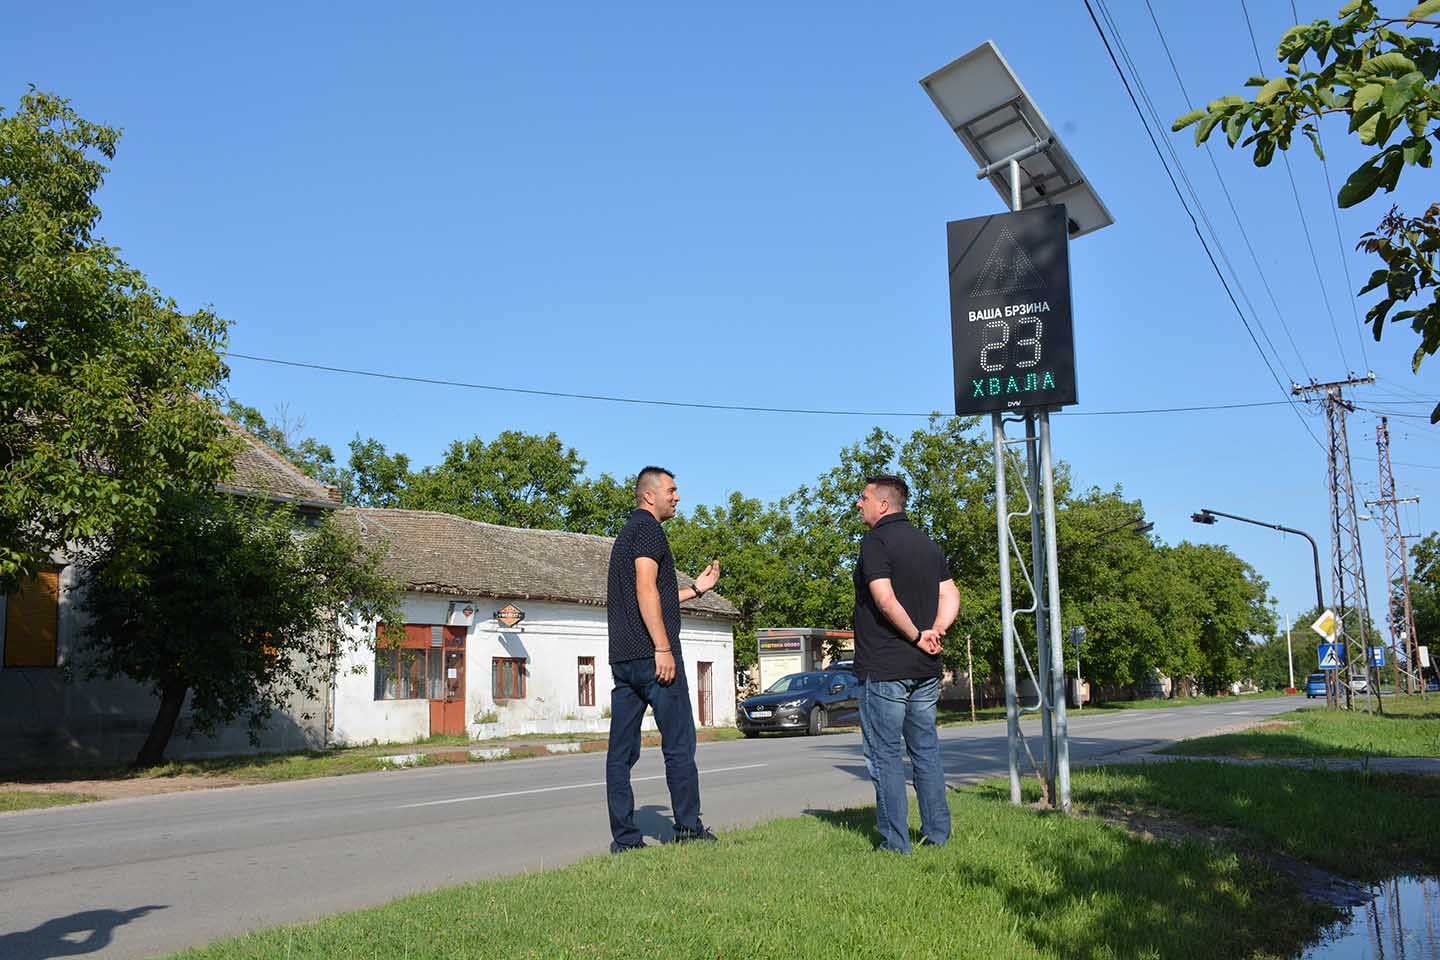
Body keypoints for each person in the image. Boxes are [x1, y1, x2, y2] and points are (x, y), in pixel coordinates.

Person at [606, 465, 721, 852]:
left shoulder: (625, 534)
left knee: (621, 754)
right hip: (652, 659)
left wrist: (696, 590)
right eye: (672, 490)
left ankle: (625, 840)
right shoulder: (649, 530)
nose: (677, 496)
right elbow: (645, 588)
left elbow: (656, 592)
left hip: (623, 660)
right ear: (649, 495)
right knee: (679, 744)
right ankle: (688, 828)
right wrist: (663, 648)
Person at [852, 474, 960, 853]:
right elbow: (950, 593)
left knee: (884, 757)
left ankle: (896, 843)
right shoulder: (929, 545)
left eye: (863, 498)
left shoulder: (874, 542)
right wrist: (937, 630)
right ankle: (938, 836)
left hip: (885, 668)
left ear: (883, 505)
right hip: (925, 669)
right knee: (925, 753)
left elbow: (883, 598)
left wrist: (917, 634)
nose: (858, 504)